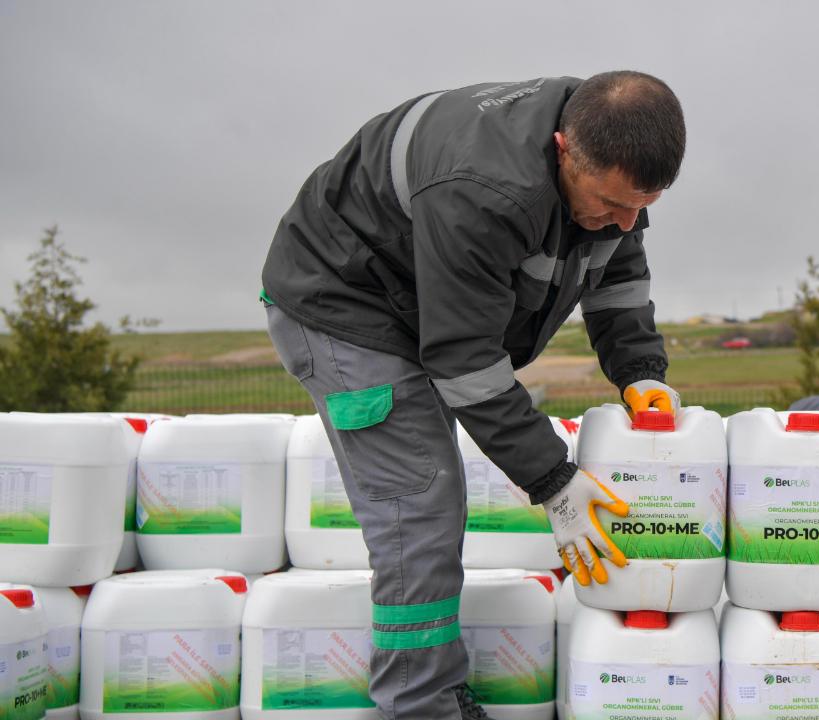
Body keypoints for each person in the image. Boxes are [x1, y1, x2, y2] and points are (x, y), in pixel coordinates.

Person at [260, 72, 684, 720]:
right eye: (613, 204)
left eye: (642, 205)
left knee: (429, 495)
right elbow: (465, 363)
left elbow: (616, 279)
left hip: (416, 299)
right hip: (343, 301)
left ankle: (430, 687)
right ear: (564, 149)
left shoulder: (609, 158)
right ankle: (420, 704)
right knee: (419, 501)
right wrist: (554, 480)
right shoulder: (485, 190)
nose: (626, 223)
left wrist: (640, 372)